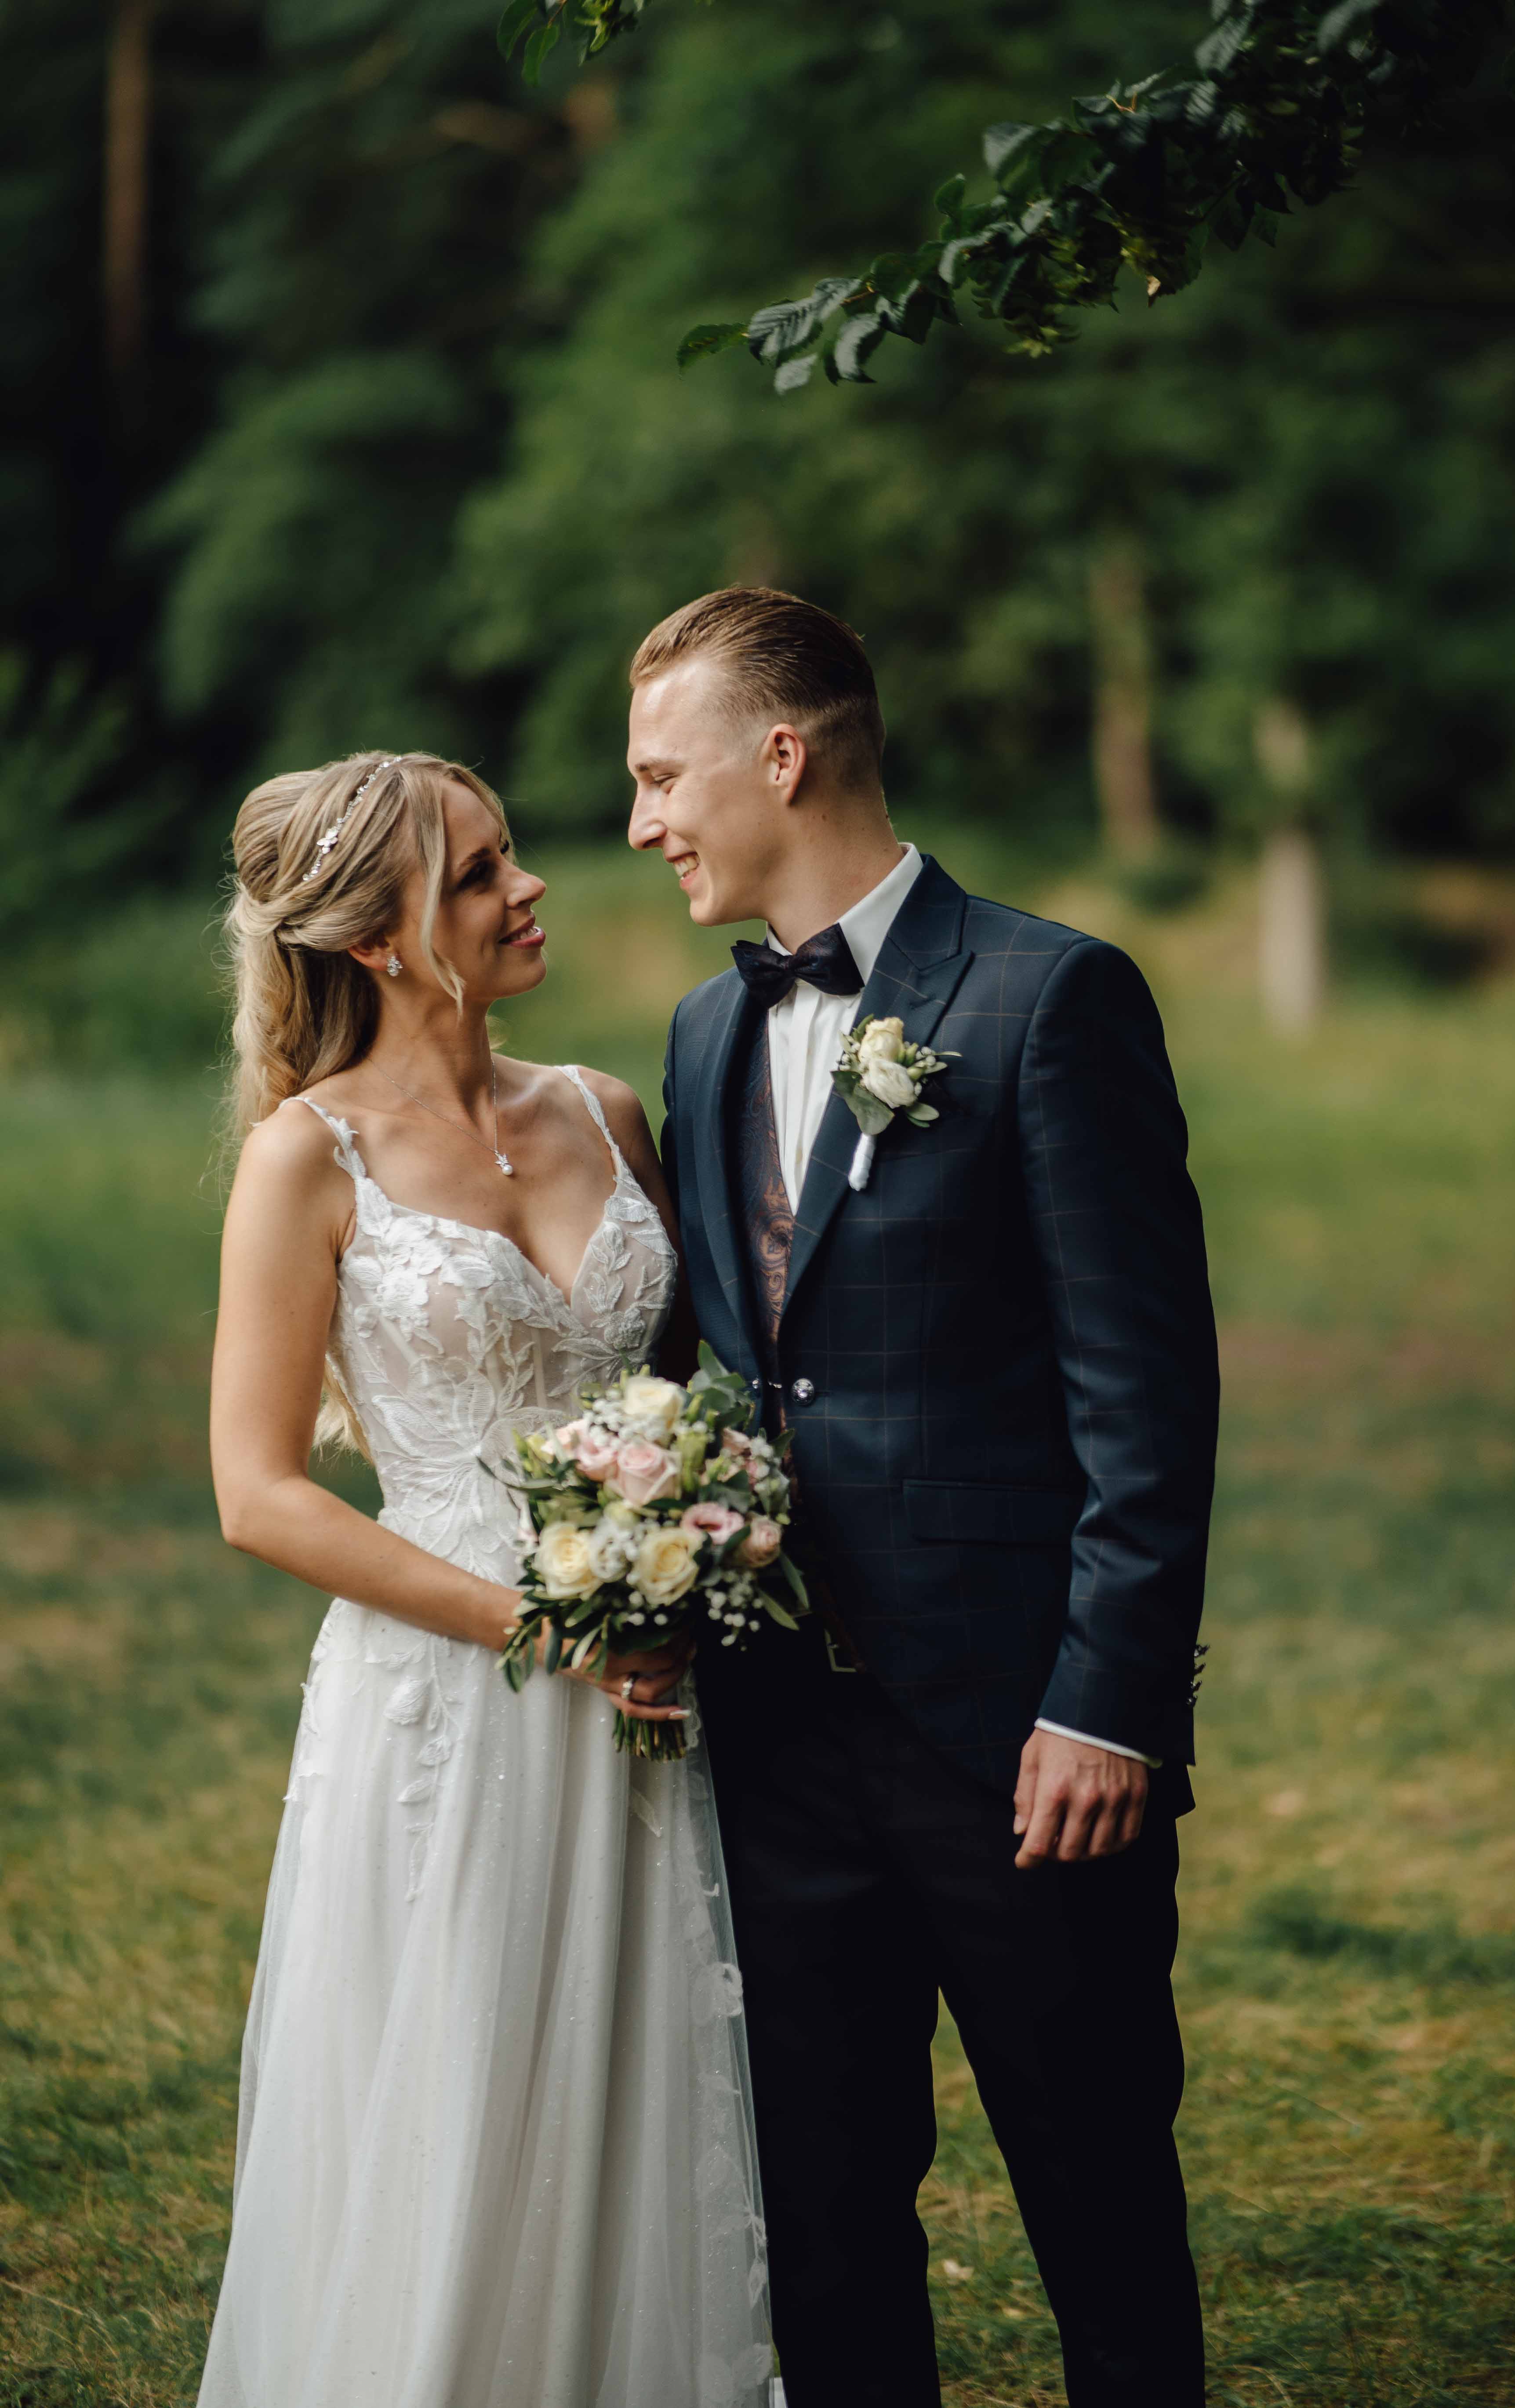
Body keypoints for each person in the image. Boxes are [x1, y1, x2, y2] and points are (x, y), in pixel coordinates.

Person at [632, 590, 1219, 2408]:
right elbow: (719, 1363)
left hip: (1019, 1747)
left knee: (1099, 2199)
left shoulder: (1049, 997)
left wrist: (1100, 1702)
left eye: (663, 773)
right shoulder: (702, 1034)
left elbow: (1147, 1392)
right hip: (782, 1735)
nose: (646, 818)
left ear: (781, 754)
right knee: (823, 2216)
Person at [199, 750, 774, 2408]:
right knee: (453, 2079)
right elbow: (257, 1494)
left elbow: (696, 1392)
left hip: (650, 1671)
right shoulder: (307, 1162)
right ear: (373, 939)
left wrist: (698, 1533)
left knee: (632, 2072)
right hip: (447, 1689)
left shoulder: (601, 1108)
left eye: (506, 856)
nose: (526, 888)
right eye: (474, 874)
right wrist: (543, 1628)